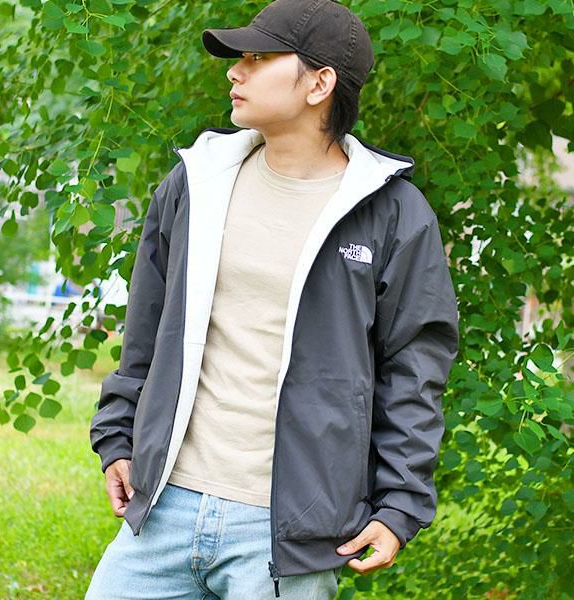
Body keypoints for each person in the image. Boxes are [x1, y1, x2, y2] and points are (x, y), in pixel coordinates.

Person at [85, 0, 460, 598]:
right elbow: (148, 329)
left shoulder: (393, 213)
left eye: (259, 58)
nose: (236, 71)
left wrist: (401, 504)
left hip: (287, 530)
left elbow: (415, 367)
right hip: (164, 506)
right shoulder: (196, 183)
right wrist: (117, 438)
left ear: (319, 84)